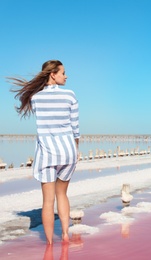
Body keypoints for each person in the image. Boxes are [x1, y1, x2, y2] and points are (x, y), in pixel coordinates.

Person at [8, 60, 80, 244]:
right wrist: (75, 149)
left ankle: (48, 244)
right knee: (62, 194)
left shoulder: (35, 97)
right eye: (63, 72)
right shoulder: (70, 95)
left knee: (48, 201)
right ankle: (65, 234)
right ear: (53, 74)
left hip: (47, 154)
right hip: (68, 152)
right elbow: (75, 130)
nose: (66, 76)